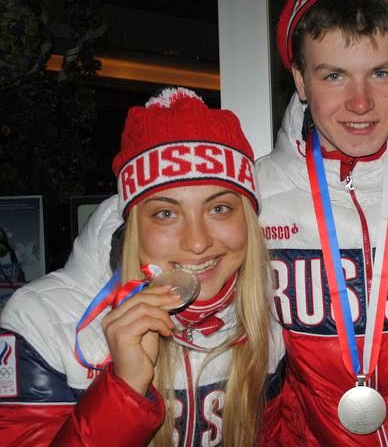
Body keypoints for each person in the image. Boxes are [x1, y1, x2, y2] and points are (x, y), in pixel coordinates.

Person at [0, 87, 284, 446]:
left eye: (219, 209)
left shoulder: (272, 314)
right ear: (134, 225)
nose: (197, 242)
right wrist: (125, 388)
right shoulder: (41, 321)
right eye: (166, 214)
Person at [256, 0, 388, 446]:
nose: (360, 103)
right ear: (300, 80)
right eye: (334, 75)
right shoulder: (251, 197)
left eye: (380, 73)